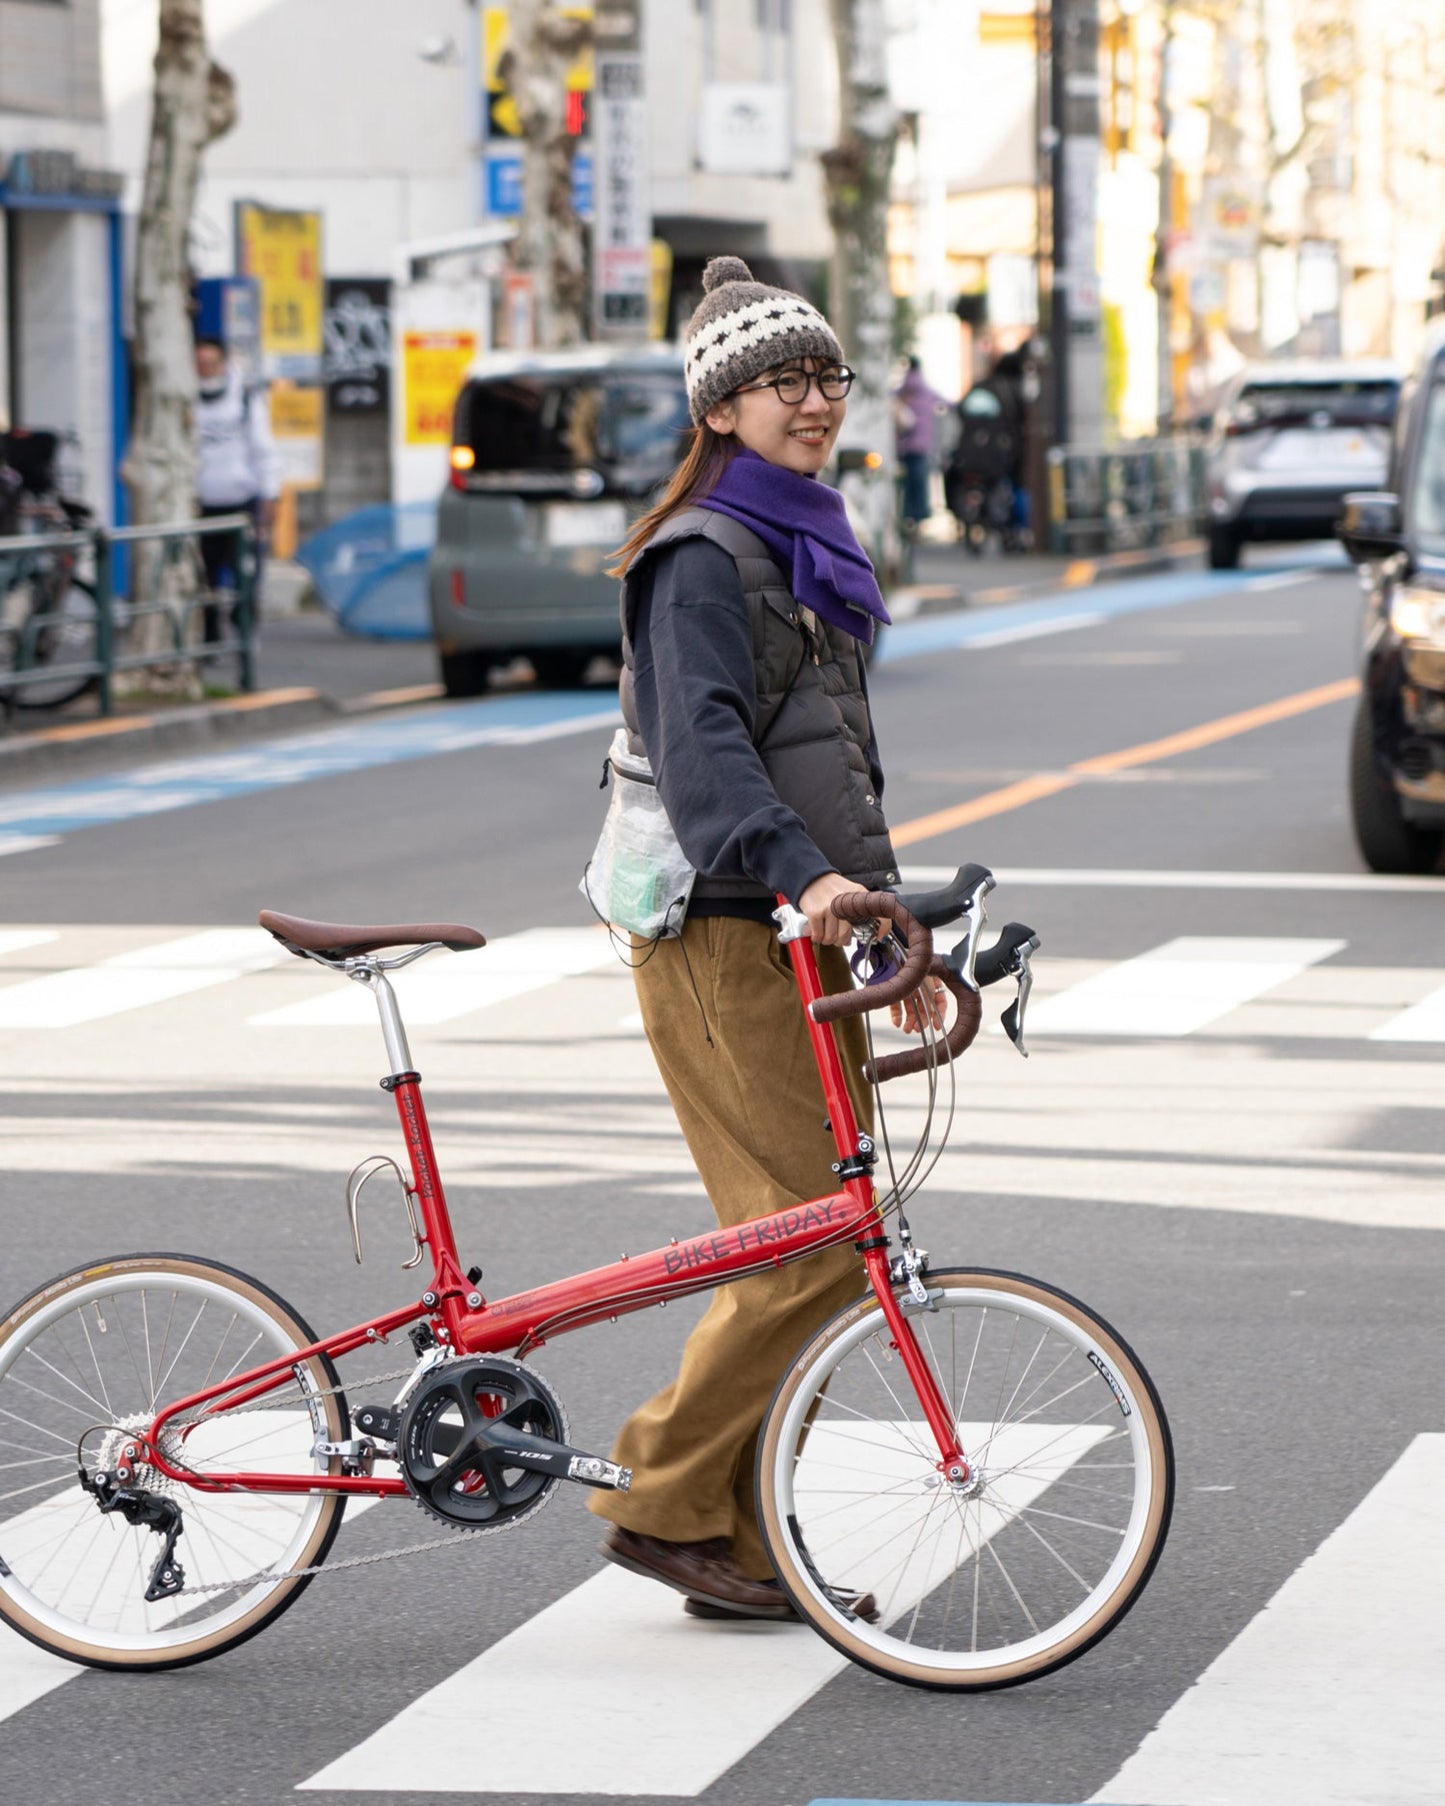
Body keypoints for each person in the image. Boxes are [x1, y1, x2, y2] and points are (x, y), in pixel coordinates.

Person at [589, 255, 947, 1622]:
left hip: (789, 929)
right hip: (712, 927)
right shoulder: (700, 558)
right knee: (805, 1242)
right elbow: (710, 766)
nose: (813, 402)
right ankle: (660, 1492)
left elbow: (828, 765)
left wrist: (888, 927)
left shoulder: (804, 539)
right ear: (720, 409)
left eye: (826, 376)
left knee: (806, 1240)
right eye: (779, 382)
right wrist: (811, 885)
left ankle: (732, 1531)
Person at [193, 337, 280, 611]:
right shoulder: (184, 400)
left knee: (246, 576)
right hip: (201, 504)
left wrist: (270, 493)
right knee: (204, 579)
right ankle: (210, 642)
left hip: (241, 502)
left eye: (211, 362)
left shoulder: (244, 397)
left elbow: (264, 448)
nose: (206, 369)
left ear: (223, 363)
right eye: (200, 363)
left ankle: (243, 634)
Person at [892, 354, 948, 529]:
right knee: (920, 483)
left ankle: (907, 519)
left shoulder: (901, 390)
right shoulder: (927, 391)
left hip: (902, 446)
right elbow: (949, 404)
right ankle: (919, 518)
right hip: (922, 445)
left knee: (905, 485)